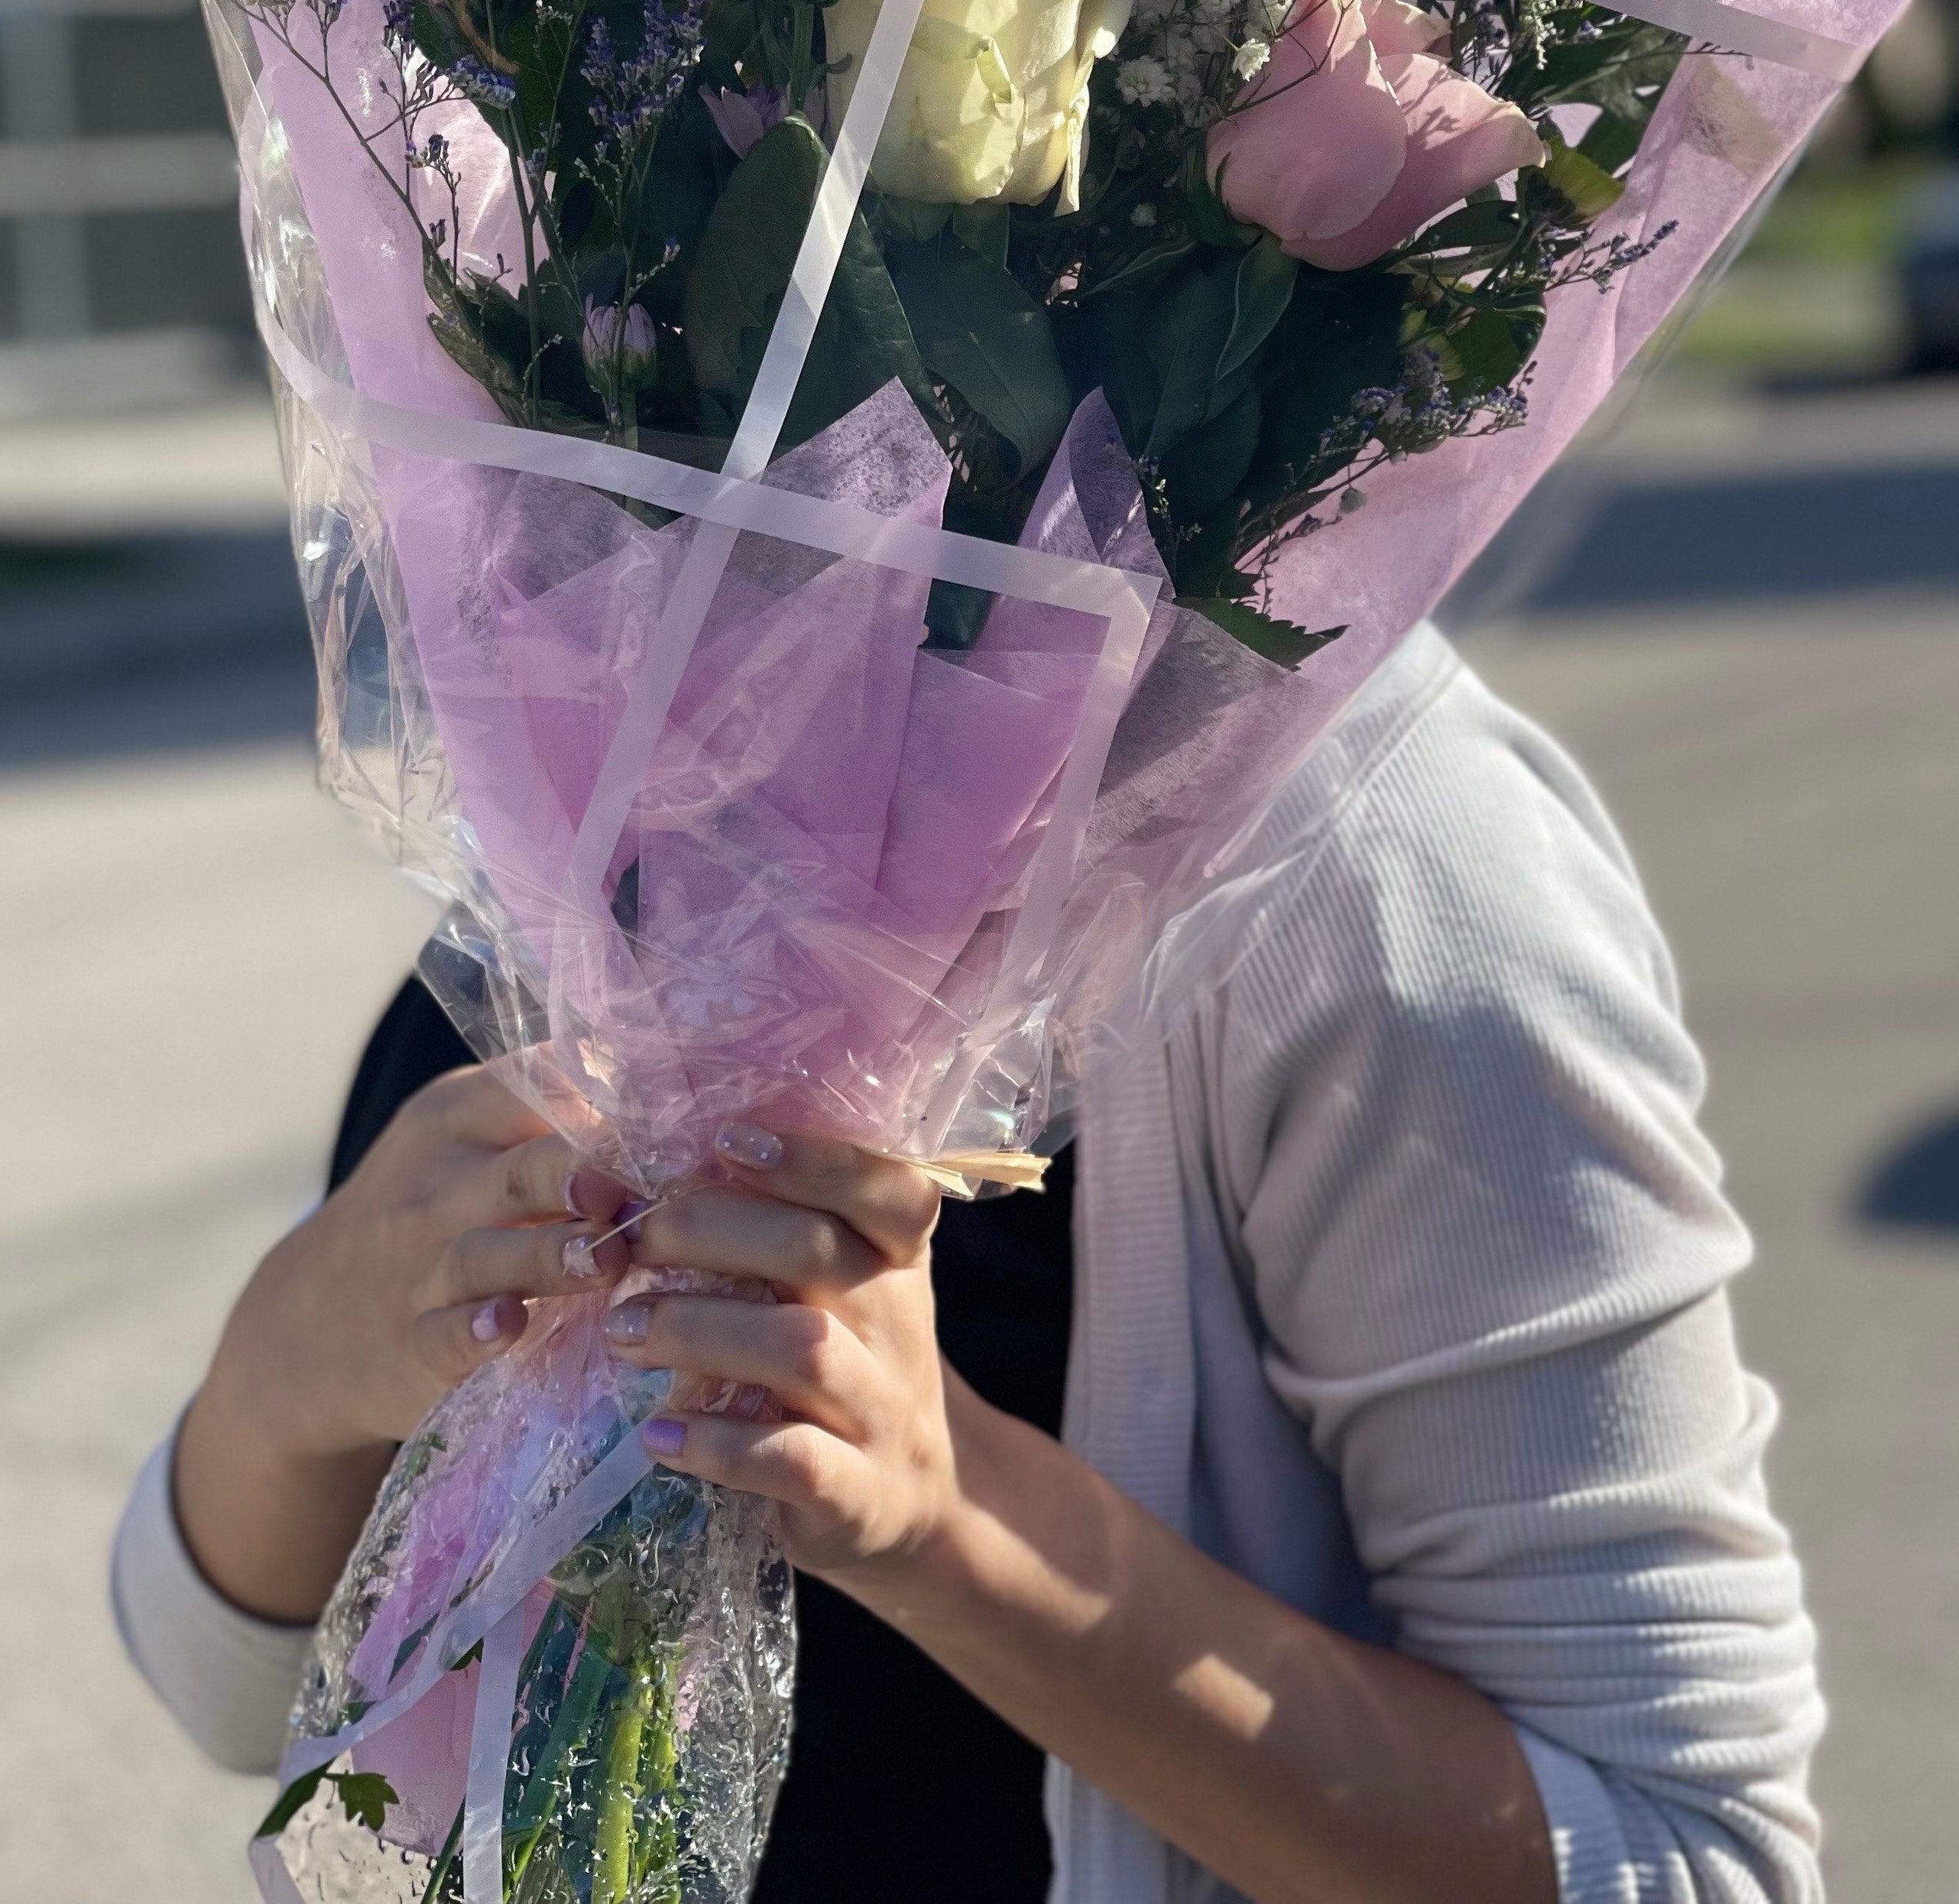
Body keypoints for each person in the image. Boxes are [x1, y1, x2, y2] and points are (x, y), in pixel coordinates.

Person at [113, 621, 1823, 1902]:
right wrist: (293, 1361)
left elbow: (1686, 1851)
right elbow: (234, 1685)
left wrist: (954, 1521)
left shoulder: (1360, 853)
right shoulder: (596, 690)